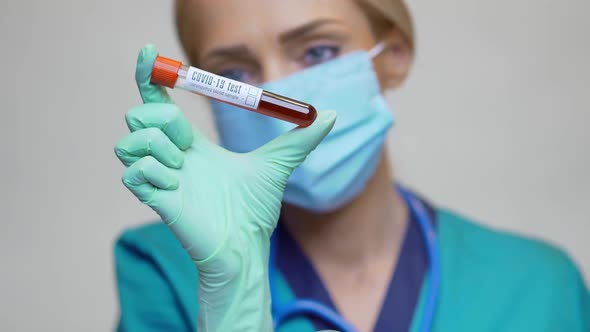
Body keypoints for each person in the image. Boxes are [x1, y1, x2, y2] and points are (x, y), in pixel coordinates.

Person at [113, 0, 590, 331]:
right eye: (234, 73)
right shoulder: (165, 269)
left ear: (394, 56)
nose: (277, 95)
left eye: (317, 52)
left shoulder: (538, 286)